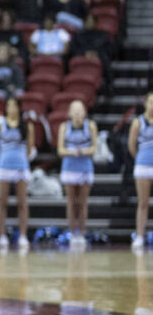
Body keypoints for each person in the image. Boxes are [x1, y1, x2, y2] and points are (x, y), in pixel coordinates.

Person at [0, 97, 33, 251]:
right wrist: (1, 160)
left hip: (21, 166)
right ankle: (2, 235)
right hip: (4, 166)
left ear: (19, 108)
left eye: (14, 105)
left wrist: (21, 159)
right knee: (2, 201)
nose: (12, 108)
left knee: (22, 202)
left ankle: (22, 235)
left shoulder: (26, 126)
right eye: (9, 105)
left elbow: (29, 149)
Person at [58, 100, 98, 249]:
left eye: (79, 111)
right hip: (69, 168)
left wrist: (82, 151)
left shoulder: (91, 126)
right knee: (71, 201)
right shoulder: (64, 127)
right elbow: (60, 150)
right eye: (74, 111)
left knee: (82, 202)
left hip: (85, 168)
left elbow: (94, 148)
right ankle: (72, 232)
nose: (77, 114)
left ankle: (81, 232)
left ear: (84, 113)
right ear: (69, 113)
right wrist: (74, 152)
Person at [127, 92, 153, 250]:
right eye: (151, 102)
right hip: (143, 165)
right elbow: (131, 146)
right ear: (146, 104)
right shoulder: (138, 122)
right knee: (143, 203)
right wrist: (140, 158)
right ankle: (140, 235)